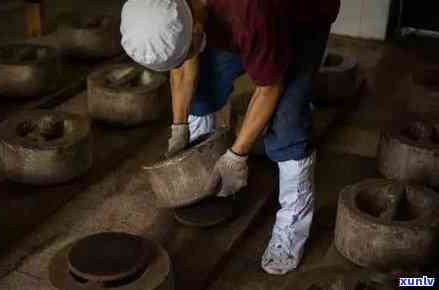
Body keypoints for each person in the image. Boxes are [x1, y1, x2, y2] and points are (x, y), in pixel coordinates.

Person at [121, 0, 340, 275]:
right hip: (227, 19)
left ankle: (291, 227)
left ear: (196, 24)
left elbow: (269, 88)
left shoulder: (251, 15)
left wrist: (237, 156)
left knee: (288, 123)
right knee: (203, 88)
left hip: (299, 18)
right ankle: (203, 174)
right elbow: (181, 66)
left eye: (189, 45)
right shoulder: (166, 10)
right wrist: (179, 129)